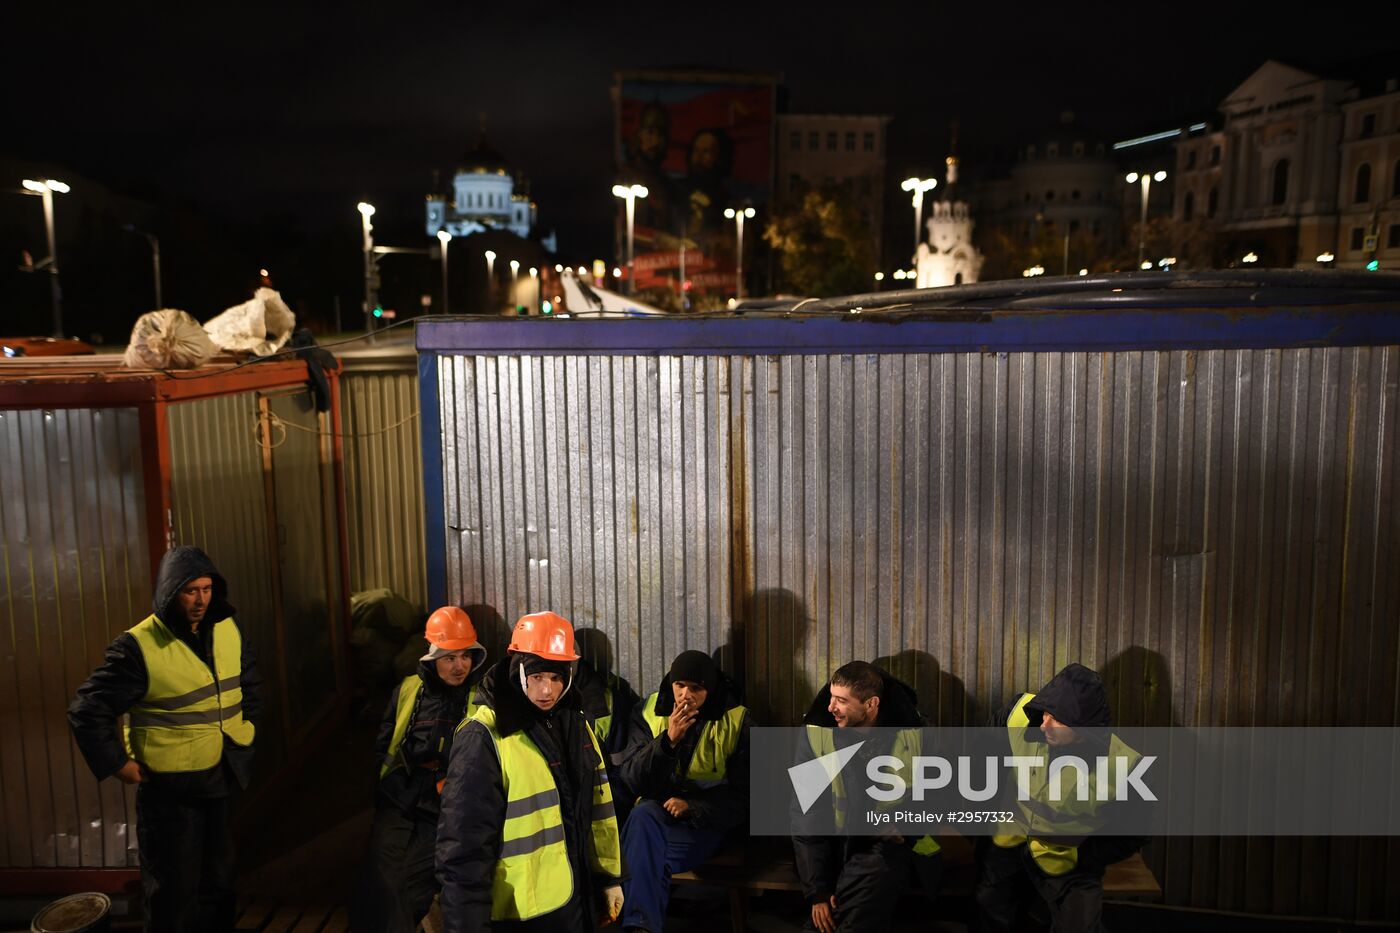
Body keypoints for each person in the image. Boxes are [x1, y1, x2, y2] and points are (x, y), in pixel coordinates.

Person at [67, 546, 261, 933]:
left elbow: (250, 684)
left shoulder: (227, 627)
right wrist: (119, 765)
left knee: (219, 883)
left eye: (206, 589)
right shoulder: (139, 647)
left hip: (220, 776)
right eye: (190, 591)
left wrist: (248, 729)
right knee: (174, 892)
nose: (200, 600)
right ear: (170, 592)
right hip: (170, 791)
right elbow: (87, 709)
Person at [436, 611, 624, 932]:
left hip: (574, 904)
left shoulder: (576, 725)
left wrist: (608, 878)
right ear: (517, 669)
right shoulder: (483, 736)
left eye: (556, 677)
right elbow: (464, 852)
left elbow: (599, 812)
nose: (547, 691)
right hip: (520, 915)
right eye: (537, 677)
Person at [975, 663, 1149, 933]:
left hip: (1067, 859)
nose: (1044, 723)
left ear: (1083, 729)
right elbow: (980, 759)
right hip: (1008, 843)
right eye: (1046, 712)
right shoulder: (1019, 716)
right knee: (989, 911)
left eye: (1057, 719)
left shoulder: (1123, 766)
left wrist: (1087, 855)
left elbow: (1136, 833)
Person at [351, 606, 487, 932]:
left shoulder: (479, 697)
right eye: (450, 658)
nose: (460, 666)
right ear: (433, 658)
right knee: (380, 868)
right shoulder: (409, 689)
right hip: (401, 792)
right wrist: (384, 788)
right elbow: (386, 743)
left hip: (445, 800)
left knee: (413, 877)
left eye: (465, 657)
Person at [791, 661, 942, 933]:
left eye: (841, 701)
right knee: (849, 908)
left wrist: (905, 825)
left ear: (871, 704)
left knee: (875, 870)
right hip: (835, 844)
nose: (830, 708)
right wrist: (818, 891)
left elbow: (937, 794)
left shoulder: (917, 734)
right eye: (831, 697)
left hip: (894, 844)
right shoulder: (816, 735)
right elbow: (806, 812)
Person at [616, 650, 751, 933]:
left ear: (710, 689)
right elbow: (630, 779)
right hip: (654, 820)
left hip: (706, 826)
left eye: (696, 688)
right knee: (642, 817)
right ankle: (640, 927)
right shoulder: (649, 711)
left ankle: (638, 926)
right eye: (680, 686)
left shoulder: (737, 721)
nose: (685, 695)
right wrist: (667, 742)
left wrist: (693, 807)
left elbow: (746, 800)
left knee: (642, 856)